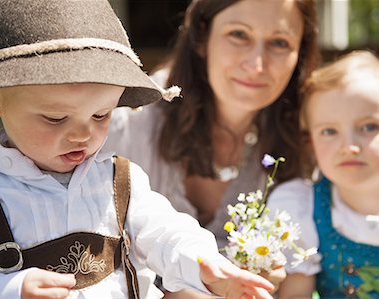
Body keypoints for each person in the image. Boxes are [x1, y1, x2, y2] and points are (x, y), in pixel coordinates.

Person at [0, 1, 276, 299]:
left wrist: (205, 265)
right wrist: (9, 288)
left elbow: (165, 233)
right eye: (56, 118)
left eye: (101, 115)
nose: (83, 134)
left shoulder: (120, 182)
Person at [105, 0, 319, 252]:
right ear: (202, 37)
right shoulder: (126, 126)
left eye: (280, 42)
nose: (256, 64)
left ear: (300, 55)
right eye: (238, 35)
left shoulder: (311, 140)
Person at [266, 50, 379, 298]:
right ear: (311, 144)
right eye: (329, 131)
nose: (348, 146)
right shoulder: (302, 207)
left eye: (368, 127)